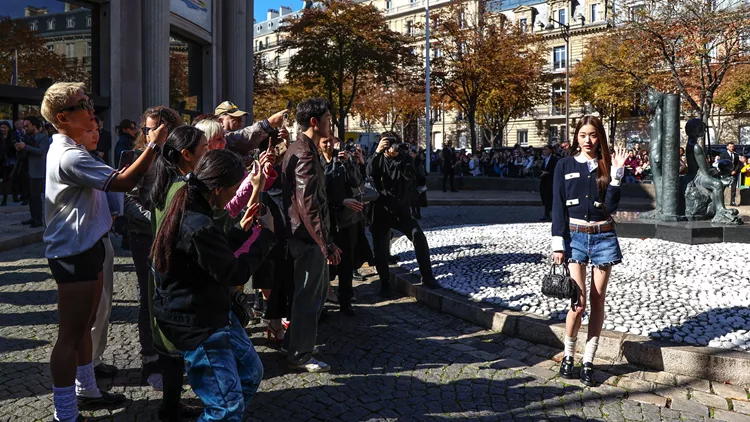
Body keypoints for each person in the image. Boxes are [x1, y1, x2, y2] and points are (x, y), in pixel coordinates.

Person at [41, 82, 168, 422]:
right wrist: (154, 145)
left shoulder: (73, 148)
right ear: (63, 117)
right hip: (75, 254)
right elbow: (125, 181)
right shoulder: (70, 154)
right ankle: (65, 413)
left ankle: (87, 391)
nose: (92, 110)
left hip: (89, 247)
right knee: (69, 335)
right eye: (84, 105)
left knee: (84, 327)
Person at [151, 149, 275, 421]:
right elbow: (233, 272)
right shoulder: (197, 221)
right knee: (226, 409)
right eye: (233, 189)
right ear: (217, 189)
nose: (235, 196)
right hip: (197, 322)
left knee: (251, 373)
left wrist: (241, 231)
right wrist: (266, 236)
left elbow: (211, 256)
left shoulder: (196, 203)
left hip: (211, 309)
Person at [551, 115, 627, 387]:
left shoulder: (606, 166)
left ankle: (588, 360)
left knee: (597, 300)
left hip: (604, 235)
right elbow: (558, 205)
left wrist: (617, 176)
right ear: (576, 137)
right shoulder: (564, 165)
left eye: (593, 135)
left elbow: (611, 207)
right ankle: (569, 355)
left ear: (600, 137)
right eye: (583, 135)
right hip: (575, 238)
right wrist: (557, 243)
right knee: (578, 302)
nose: (588, 140)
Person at [124, 106, 185, 392]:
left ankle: (174, 353)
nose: (152, 133)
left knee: (173, 293)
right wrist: (156, 222)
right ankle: (150, 359)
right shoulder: (138, 157)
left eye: (158, 128)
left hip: (175, 235)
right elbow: (129, 199)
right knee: (148, 296)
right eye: (148, 129)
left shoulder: (178, 157)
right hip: (145, 236)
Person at [281, 98, 341, 372]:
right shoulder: (304, 152)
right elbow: (308, 204)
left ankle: (295, 345)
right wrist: (325, 242)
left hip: (304, 236)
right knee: (309, 298)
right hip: (307, 238)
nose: (332, 123)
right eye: (328, 118)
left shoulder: (301, 147)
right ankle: (300, 354)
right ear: (315, 122)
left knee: (308, 296)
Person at [367, 132, 440, 297]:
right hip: (380, 210)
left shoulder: (405, 159)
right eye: (387, 143)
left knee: (418, 236)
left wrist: (399, 157)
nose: (390, 147)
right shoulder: (377, 158)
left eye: (393, 143)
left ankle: (427, 276)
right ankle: (384, 284)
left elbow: (410, 176)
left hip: (401, 210)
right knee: (380, 250)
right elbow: (370, 171)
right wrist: (378, 152)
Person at [79, 129, 124, 379]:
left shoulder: (95, 160)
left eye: (96, 129)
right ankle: (86, 368)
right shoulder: (76, 159)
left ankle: (94, 359)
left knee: (104, 305)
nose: (95, 134)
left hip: (102, 238)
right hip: (89, 242)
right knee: (92, 310)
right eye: (89, 129)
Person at [320, 136, 366, 316]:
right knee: (324, 264)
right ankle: (322, 302)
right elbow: (317, 194)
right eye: (325, 142)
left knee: (346, 262)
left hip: (347, 221)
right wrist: (340, 201)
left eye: (332, 141)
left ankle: (346, 300)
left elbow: (357, 183)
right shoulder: (316, 162)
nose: (329, 145)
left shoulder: (343, 161)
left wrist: (348, 163)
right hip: (326, 221)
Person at [215, 101, 287, 156]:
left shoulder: (246, 143)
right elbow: (239, 137)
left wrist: (284, 142)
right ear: (221, 121)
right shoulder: (222, 139)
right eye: (235, 118)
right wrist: (268, 124)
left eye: (240, 118)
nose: (241, 122)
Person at [16, 116, 49, 227]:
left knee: (36, 197)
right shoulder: (26, 137)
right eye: (24, 126)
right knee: (29, 196)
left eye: (27, 126)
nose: (25, 128)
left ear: (34, 125)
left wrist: (25, 147)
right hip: (26, 170)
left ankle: (38, 220)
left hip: (37, 171)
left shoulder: (42, 137)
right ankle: (33, 217)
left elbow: (41, 152)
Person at [0, 121, 19, 206]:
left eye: (4, 127)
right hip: (2, 161)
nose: (2, 129)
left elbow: (17, 147)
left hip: (11, 161)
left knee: (12, 179)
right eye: (1, 127)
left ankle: (14, 196)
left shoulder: (13, 136)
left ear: (8, 128)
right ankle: (5, 198)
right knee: (5, 180)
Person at [539, 145, 557, 221]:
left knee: (549, 198)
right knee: (544, 196)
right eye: (544, 150)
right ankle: (547, 214)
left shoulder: (554, 159)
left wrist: (547, 173)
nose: (545, 151)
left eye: (546, 149)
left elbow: (555, 171)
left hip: (551, 181)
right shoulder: (545, 159)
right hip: (544, 181)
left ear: (551, 150)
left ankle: (548, 214)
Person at [721, 142, 742, 206]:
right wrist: (728, 171)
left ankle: (732, 201)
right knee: (723, 187)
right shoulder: (723, 154)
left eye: (732, 146)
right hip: (726, 173)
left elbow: (738, 164)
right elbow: (722, 163)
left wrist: (735, 170)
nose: (732, 148)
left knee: (734, 188)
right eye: (730, 146)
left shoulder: (735, 155)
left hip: (734, 173)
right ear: (727, 147)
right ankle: (721, 202)